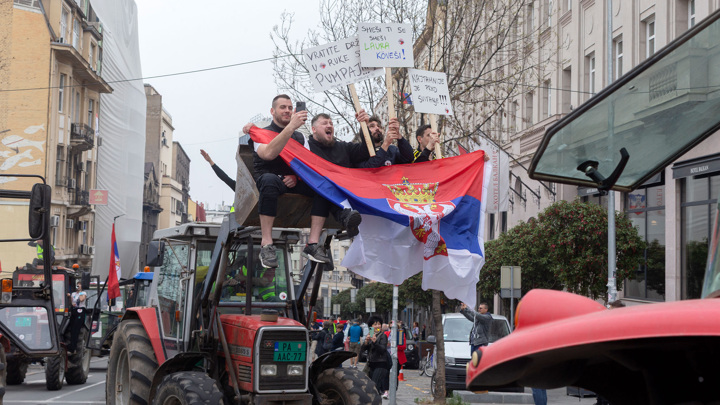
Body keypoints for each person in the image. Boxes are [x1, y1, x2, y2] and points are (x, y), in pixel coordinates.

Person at [242, 95, 361, 268]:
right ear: (272, 111)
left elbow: (308, 164)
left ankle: (314, 243)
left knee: (321, 183)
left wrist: (296, 177)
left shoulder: (300, 137)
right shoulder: (260, 133)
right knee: (268, 180)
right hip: (270, 181)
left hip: (294, 181)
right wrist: (290, 127)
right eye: (283, 107)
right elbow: (268, 154)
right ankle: (267, 244)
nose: (288, 111)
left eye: (290, 108)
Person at [362, 316, 390, 399]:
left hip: (381, 364)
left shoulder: (383, 336)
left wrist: (374, 342)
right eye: (375, 324)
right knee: (369, 385)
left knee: (374, 386)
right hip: (371, 364)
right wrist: (366, 342)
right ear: (371, 326)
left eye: (379, 324)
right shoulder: (370, 335)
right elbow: (363, 350)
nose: (377, 326)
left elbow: (382, 349)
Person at [67, 282, 87, 353]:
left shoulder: (83, 293)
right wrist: (69, 297)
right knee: (72, 329)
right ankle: (71, 345)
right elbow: (71, 302)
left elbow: (81, 299)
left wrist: (80, 291)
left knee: (76, 329)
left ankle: (73, 347)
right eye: (77, 284)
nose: (78, 286)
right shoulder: (73, 294)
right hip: (74, 310)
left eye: (79, 284)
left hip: (80, 311)